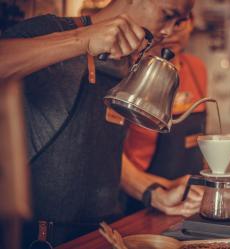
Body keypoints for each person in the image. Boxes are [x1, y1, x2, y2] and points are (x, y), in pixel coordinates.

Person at [0, 0, 195, 247]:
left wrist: (154, 193)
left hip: (104, 233)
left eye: (178, 22)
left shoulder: (128, 61)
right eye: (167, 15)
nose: (168, 31)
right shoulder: (49, 30)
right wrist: (82, 40)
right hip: (41, 238)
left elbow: (98, 149)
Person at [120, 16, 207, 216]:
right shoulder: (130, 72)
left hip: (187, 198)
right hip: (139, 199)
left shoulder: (197, 68)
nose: (171, 31)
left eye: (179, 22)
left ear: (191, 23)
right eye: (164, 19)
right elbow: (108, 157)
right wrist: (165, 188)